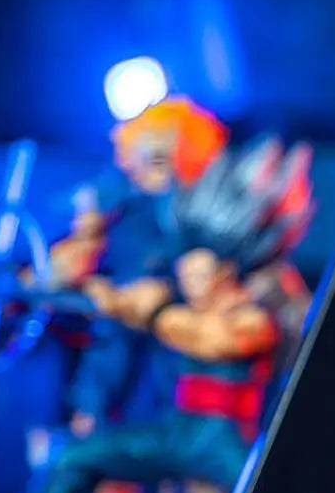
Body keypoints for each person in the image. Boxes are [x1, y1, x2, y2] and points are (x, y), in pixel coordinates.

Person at [0, 137, 316, 493]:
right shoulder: (175, 295)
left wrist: (152, 313)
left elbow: (210, 338)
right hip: (178, 431)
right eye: (186, 272)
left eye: (200, 274)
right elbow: (125, 301)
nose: (189, 281)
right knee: (77, 456)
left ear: (226, 273)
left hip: (225, 441)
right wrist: (94, 293)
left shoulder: (252, 316)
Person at [48, 96, 230, 436]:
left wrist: (167, 291)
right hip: (119, 326)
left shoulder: (196, 213)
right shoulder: (120, 203)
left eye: (162, 157)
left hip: (178, 341)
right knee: (107, 363)